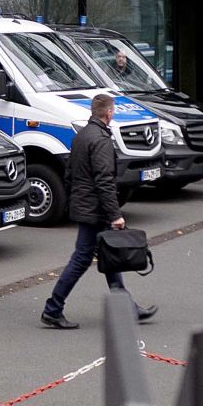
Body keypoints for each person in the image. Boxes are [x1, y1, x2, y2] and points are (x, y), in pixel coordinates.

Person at [41, 94, 157, 329]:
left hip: (85, 205)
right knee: (82, 258)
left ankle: (128, 309)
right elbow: (104, 180)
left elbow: (70, 172)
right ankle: (52, 309)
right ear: (109, 113)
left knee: (109, 255)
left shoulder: (82, 135)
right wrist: (115, 214)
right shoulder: (101, 140)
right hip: (96, 208)